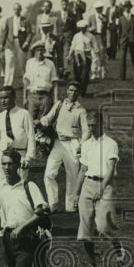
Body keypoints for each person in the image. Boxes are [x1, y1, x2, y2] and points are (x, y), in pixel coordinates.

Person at [75, 112, 125, 267]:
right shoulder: (86, 144)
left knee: (104, 226)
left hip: (105, 185)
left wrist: (101, 188)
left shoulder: (110, 144)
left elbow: (111, 169)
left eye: (94, 125)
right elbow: (83, 169)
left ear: (101, 124)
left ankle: (118, 249)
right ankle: (92, 265)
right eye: (88, 125)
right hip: (87, 185)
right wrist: (76, 193)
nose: (91, 128)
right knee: (85, 229)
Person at [40, 81, 90, 212]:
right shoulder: (59, 104)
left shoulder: (81, 110)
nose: (73, 93)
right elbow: (47, 118)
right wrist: (43, 123)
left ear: (79, 93)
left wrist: (81, 145)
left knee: (72, 176)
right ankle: (53, 203)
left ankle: (70, 207)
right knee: (48, 174)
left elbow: (86, 131)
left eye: (75, 91)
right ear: (67, 91)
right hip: (58, 143)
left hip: (73, 144)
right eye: (71, 90)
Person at [0, 85, 35, 183]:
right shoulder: (0, 117)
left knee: (19, 188)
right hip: (2, 156)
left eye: (6, 98)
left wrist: (28, 158)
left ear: (13, 97)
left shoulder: (24, 114)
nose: (3, 101)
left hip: (19, 155)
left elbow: (31, 137)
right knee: (1, 187)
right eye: (1, 98)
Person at [23, 40, 59, 120]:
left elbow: (55, 82)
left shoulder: (50, 64)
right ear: (34, 52)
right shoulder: (30, 63)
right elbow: (26, 82)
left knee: (44, 121)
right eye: (37, 50)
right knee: (30, 120)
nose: (40, 52)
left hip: (45, 96)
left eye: (41, 50)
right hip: (32, 95)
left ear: (44, 51)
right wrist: (24, 98)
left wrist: (55, 98)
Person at [0, 3, 29, 89]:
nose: (17, 11)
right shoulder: (9, 20)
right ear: (13, 10)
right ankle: (7, 84)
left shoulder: (25, 20)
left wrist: (26, 42)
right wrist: (2, 44)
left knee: (22, 64)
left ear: (21, 10)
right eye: (15, 9)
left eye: (18, 9)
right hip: (10, 44)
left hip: (21, 43)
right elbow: (4, 33)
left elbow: (30, 33)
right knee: (9, 64)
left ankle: (26, 83)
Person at [69, 19, 98, 97]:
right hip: (77, 56)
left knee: (84, 75)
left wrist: (95, 57)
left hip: (86, 57)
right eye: (80, 28)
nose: (82, 29)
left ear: (86, 27)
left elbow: (95, 48)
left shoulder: (91, 36)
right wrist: (69, 55)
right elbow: (72, 46)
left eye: (83, 27)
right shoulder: (76, 36)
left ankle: (83, 92)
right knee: (76, 75)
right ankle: (76, 92)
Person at [118, 0, 134, 81]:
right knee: (122, 58)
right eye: (126, 7)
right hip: (123, 40)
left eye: (129, 7)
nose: (127, 8)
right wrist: (119, 41)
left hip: (133, 40)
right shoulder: (121, 19)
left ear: (131, 8)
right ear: (124, 8)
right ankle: (122, 76)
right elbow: (119, 31)